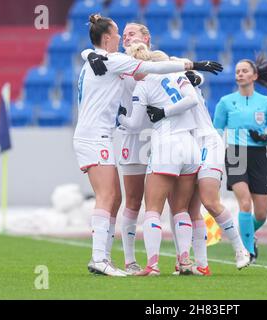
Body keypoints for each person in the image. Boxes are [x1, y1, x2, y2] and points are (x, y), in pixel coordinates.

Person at [74, 14, 221, 276]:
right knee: (124, 199)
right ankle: (119, 259)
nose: (125, 37)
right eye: (121, 33)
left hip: (155, 136)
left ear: (147, 38)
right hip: (123, 136)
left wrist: (195, 71)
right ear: (108, 38)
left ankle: (176, 260)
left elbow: (173, 72)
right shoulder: (115, 61)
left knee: (124, 199)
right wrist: (89, 53)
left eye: (130, 33)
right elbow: (152, 69)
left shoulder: (117, 59)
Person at [118, 44, 202, 276]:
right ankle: (185, 261)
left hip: (166, 144)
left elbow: (134, 124)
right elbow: (192, 100)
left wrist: (120, 118)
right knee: (181, 209)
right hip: (190, 145)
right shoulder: (178, 74)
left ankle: (152, 265)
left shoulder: (143, 85)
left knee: (153, 209)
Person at [158, 68, 252, 275]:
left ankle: (240, 250)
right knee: (184, 209)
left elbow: (195, 76)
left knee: (209, 201)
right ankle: (199, 264)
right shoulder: (152, 86)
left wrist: (195, 76)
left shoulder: (174, 74)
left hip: (207, 142)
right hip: (186, 146)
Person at [213, 56, 267, 262]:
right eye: (237, 71)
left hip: (259, 155)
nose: (240, 74)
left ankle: (247, 235)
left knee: (261, 213)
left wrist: (264, 136)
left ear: (255, 76)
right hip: (235, 153)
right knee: (245, 203)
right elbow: (216, 131)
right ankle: (247, 252)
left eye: (244, 71)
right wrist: (214, 153)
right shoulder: (226, 102)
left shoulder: (266, 103)